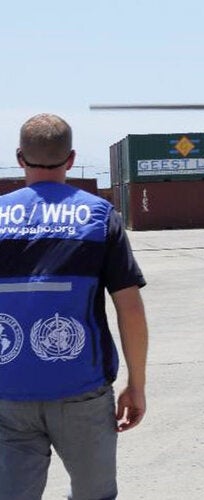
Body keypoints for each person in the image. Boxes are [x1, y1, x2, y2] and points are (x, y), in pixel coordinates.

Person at [0, 114, 149, 500]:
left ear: (20, 157)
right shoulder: (100, 218)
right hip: (81, 389)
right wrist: (136, 384)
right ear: (71, 158)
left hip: (7, 393)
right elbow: (129, 310)